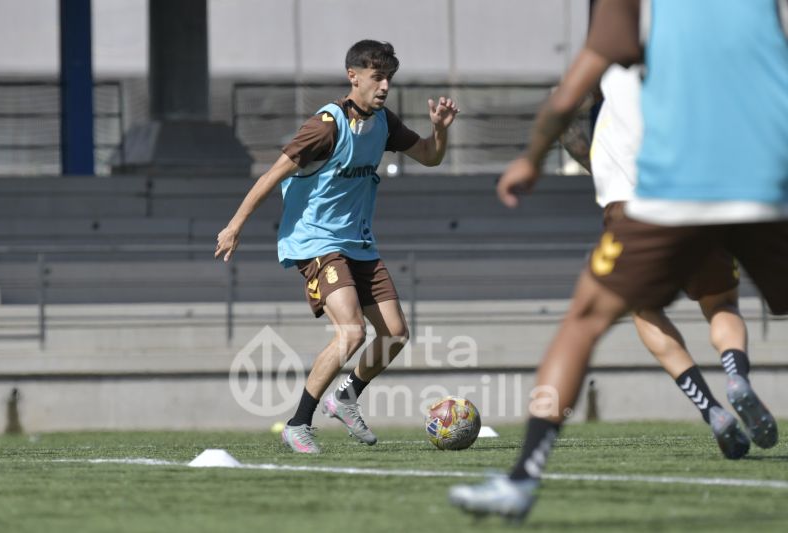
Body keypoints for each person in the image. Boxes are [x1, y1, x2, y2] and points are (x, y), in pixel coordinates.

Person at [450, 0, 788, 521]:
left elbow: (569, 94)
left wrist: (531, 159)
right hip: (765, 175)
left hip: (665, 189)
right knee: (722, 302)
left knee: (585, 319)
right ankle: (735, 372)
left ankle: (522, 479)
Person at [215, 40, 459, 454]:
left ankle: (345, 397)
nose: (385, 86)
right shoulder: (325, 126)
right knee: (352, 331)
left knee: (395, 335)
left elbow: (429, 156)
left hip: (358, 242)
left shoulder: (384, 123)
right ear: (353, 77)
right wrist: (235, 225)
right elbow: (273, 174)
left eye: (389, 78)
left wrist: (440, 130)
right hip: (315, 241)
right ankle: (298, 424)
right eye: (377, 77)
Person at [559, 63, 774, 460]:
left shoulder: (609, 60)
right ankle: (736, 377)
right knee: (721, 304)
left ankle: (711, 411)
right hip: (694, 196)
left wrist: (603, 168)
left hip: (626, 206)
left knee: (645, 310)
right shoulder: (693, 64)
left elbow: (566, 122)